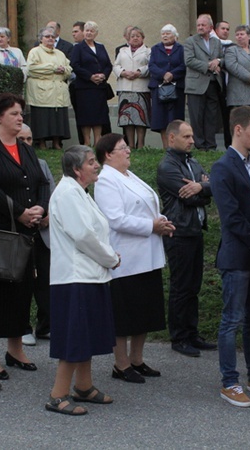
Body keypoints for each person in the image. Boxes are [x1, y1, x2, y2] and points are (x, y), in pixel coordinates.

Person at [0, 93, 48, 380]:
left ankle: (15, 350)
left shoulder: (25, 149)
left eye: (21, 113)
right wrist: (19, 212)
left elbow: (41, 182)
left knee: (21, 290)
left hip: (25, 231)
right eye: (14, 113)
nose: (20, 118)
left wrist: (40, 207)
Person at [46, 145, 121, 416]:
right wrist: (111, 258)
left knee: (86, 334)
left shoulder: (80, 192)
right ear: (77, 169)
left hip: (90, 275)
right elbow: (84, 236)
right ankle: (57, 395)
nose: (96, 165)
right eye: (91, 162)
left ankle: (84, 386)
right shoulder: (67, 193)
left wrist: (107, 258)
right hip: (74, 277)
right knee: (74, 337)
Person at [94, 134, 174, 384]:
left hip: (147, 254)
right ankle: (121, 364)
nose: (128, 151)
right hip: (126, 257)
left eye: (127, 147)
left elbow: (147, 205)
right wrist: (152, 225)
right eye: (122, 148)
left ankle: (137, 359)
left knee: (144, 311)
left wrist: (161, 221)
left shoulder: (129, 176)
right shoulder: (106, 179)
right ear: (108, 154)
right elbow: (115, 218)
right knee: (125, 313)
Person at [210, 107, 250, 408]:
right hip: (238, 255)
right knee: (232, 320)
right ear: (238, 130)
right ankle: (229, 381)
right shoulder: (223, 167)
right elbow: (231, 218)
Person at [157, 120, 215, 357]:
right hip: (178, 232)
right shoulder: (167, 166)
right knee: (181, 287)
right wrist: (203, 188)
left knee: (193, 286)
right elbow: (190, 198)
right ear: (172, 138)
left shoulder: (191, 161)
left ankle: (191, 333)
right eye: (187, 137)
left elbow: (209, 189)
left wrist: (201, 187)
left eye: (192, 136)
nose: (192, 140)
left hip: (194, 230)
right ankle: (179, 337)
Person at [17, 124, 55, 346]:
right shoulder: (7, 164)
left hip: (42, 232)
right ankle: (21, 327)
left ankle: (46, 326)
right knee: (22, 281)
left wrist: (47, 215)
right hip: (20, 232)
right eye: (21, 139)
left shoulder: (41, 164)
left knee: (46, 280)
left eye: (30, 139)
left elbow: (51, 193)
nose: (26, 143)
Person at [26, 27, 72, 150]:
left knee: (58, 118)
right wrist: (52, 68)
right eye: (47, 36)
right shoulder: (35, 52)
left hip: (58, 91)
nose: (50, 39)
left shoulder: (60, 53)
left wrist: (64, 70)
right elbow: (31, 68)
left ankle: (57, 143)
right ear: (41, 39)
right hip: (42, 91)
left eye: (52, 37)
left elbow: (69, 69)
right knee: (43, 118)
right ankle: (42, 143)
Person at [183, 14, 224, 151]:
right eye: (198, 25)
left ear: (211, 27)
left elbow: (222, 58)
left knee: (211, 116)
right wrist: (208, 65)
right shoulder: (190, 41)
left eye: (203, 25)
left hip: (213, 83)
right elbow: (189, 60)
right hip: (196, 85)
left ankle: (211, 145)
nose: (200, 27)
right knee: (197, 117)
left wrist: (218, 62)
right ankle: (200, 145)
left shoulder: (216, 42)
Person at [70, 21, 113, 146]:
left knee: (99, 115)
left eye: (92, 31)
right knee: (86, 116)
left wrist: (103, 76)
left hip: (99, 87)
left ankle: (98, 141)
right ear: (83, 32)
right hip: (84, 87)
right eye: (87, 30)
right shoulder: (78, 47)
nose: (89, 33)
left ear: (96, 33)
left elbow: (108, 65)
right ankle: (87, 141)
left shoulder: (100, 47)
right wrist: (90, 77)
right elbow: (75, 65)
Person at [148, 24, 186, 148]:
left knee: (175, 118)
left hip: (176, 88)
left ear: (175, 36)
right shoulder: (155, 49)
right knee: (161, 118)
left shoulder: (181, 49)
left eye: (168, 33)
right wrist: (163, 74)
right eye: (163, 33)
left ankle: (175, 146)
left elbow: (184, 65)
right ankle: (166, 146)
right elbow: (152, 66)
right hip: (159, 87)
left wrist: (172, 74)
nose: (165, 35)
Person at [113, 27, 151, 149]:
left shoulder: (148, 51)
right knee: (127, 118)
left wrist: (139, 72)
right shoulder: (122, 51)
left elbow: (151, 66)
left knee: (140, 119)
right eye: (132, 36)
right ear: (128, 39)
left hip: (141, 88)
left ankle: (140, 144)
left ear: (143, 38)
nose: (135, 38)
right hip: (125, 88)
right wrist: (123, 72)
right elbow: (116, 65)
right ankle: (130, 144)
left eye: (138, 36)